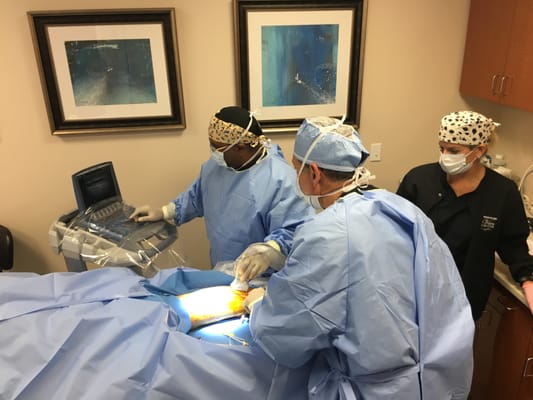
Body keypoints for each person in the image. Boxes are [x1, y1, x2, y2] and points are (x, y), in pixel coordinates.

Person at [241, 116, 475, 399]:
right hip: (430, 379)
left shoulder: (326, 234)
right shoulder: (398, 207)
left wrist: (259, 308)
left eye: (296, 167)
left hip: (378, 389)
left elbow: (291, 326)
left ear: (314, 172)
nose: (295, 175)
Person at [130, 106, 313, 269]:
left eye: (218, 147)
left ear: (240, 147)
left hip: (263, 279)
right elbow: (196, 197)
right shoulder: (216, 167)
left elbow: (295, 230)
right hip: (222, 269)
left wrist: (269, 251)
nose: (213, 152)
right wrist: (163, 212)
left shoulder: (282, 180)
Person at [396, 110, 533, 321]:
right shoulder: (419, 181)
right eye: (441, 148)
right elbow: (395, 232)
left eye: (453, 150)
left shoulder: (501, 193)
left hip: (465, 297)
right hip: (414, 289)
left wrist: (527, 279)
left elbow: (513, 245)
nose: (445, 156)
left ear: (479, 150)